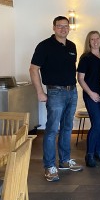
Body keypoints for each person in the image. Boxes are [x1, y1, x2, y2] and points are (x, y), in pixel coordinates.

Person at [29, 16, 83, 182]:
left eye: (66, 26)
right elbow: (33, 69)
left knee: (67, 128)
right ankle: (50, 166)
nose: (63, 29)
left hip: (72, 91)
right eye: (59, 26)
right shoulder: (44, 46)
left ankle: (65, 161)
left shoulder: (72, 46)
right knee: (52, 130)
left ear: (69, 28)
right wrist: (40, 92)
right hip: (55, 93)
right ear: (53, 28)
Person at [77, 31, 100, 167]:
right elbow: (80, 79)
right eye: (92, 39)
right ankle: (89, 154)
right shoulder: (85, 58)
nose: (95, 41)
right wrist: (91, 93)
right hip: (92, 96)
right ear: (89, 42)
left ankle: (99, 152)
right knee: (97, 123)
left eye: (97, 39)